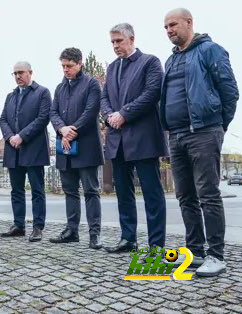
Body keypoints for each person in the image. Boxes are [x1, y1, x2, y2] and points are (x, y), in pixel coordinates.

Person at [162, 8, 239, 276]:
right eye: (166, 27)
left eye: (173, 25)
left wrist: (217, 126)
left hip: (204, 132)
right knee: (185, 196)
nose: (169, 30)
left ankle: (216, 255)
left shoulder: (210, 51)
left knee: (208, 194)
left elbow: (230, 92)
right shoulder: (170, 61)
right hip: (177, 135)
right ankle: (194, 251)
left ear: (189, 23)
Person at [101, 23, 168, 255]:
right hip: (117, 139)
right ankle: (128, 238)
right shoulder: (111, 68)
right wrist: (110, 115)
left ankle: (156, 244)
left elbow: (152, 93)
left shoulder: (150, 62)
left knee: (152, 192)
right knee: (123, 191)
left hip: (143, 138)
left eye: (119, 40)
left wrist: (124, 113)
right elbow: (104, 97)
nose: (115, 45)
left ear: (131, 38)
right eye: (112, 42)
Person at [49, 48, 104, 249]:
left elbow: (91, 111)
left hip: (87, 146)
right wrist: (62, 129)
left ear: (80, 63)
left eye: (69, 66)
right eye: (63, 66)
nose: (65, 70)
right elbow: (53, 112)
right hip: (65, 148)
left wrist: (72, 131)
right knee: (70, 191)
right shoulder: (59, 88)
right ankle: (71, 230)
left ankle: (94, 234)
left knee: (91, 191)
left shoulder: (91, 84)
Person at [0, 62, 52, 242]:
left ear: (30, 72)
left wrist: (21, 136)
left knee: (37, 190)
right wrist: (10, 137)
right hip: (13, 150)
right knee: (16, 190)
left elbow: (43, 118)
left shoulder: (42, 93)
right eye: (14, 73)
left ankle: (38, 227)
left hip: (33, 149)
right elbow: (3, 119)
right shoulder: (10, 96)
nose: (17, 76)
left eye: (20, 73)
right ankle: (18, 225)